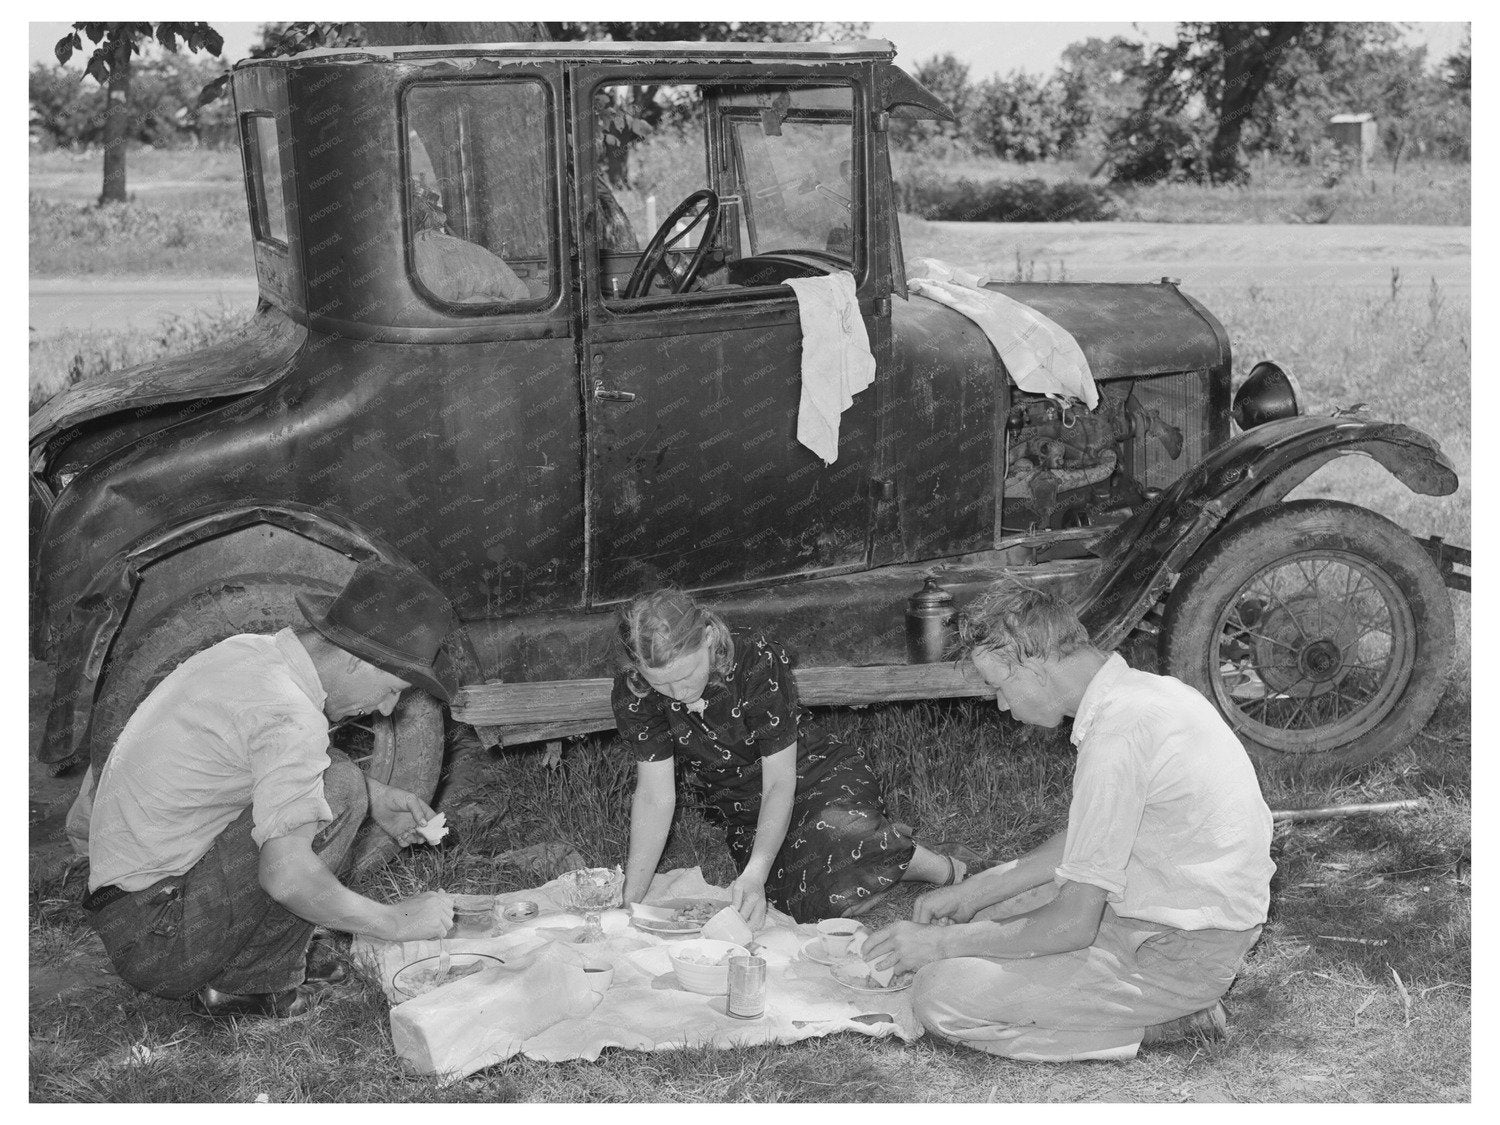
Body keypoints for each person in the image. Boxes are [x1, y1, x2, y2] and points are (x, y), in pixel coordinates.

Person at [865, 577, 1275, 1061]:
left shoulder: (1118, 736)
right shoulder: (1141, 696)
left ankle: (1169, 1020)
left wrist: (937, 945)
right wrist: (974, 891)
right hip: (1159, 914)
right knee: (986, 922)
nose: (1001, 704)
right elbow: (1088, 838)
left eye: (999, 686)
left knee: (941, 993)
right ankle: (1129, 1001)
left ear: (1032, 664)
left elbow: (1073, 925)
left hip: (1177, 952)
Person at [73, 561, 462, 1020]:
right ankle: (248, 983)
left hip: (130, 910)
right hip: (161, 935)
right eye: (393, 688)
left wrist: (374, 794)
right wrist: (395, 923)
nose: (387, 708)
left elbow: (268, 753)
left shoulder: (251, 653)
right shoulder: (289, 715)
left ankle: (255, 953)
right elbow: (287, 876)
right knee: (336, 787)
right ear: (360, 658)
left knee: (338, 779)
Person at [611, 589, 970, 927]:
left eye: (687, 675)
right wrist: (632, 900)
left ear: (707, 638)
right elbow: (655, 796)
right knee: (805, 902)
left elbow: (781, 782)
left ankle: (938, 867)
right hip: (743, 808)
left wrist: (753, 873)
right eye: (662, 684)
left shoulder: (754, 658)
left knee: (828, 847)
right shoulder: (635, 690)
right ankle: (879, 847)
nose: (679, 693)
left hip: (814, 775)